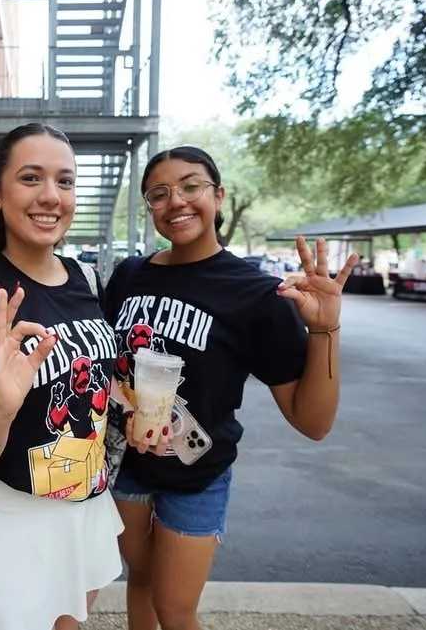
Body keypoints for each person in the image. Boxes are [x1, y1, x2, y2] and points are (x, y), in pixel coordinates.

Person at [104, 145, 358, 630]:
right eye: (159, 193)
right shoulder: (130, 275)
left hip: (198, 475)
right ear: (150, 208)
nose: (176, 201)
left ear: (218, 196)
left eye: (191, 186)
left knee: (175, 609)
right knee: (140, 579)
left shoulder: (256, 294)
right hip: (129, 467)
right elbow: (111, 370)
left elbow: (313, 422)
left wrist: (325, 329)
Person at [0, 123, 128, 630]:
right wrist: (1, 406)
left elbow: (89, 384)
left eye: (65, 181)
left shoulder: (86, 278)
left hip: (87, 502)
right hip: (15, 519)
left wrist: (133, 404)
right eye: (31, 178)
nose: (50, 196)